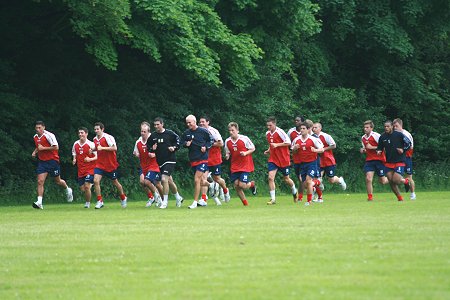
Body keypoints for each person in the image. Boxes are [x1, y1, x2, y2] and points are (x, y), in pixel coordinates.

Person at [32, 121, 73, 209]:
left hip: (53, 161)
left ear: (43, 127)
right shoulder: (35, 137)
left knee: (58, 181)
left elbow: (56, 147)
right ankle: (39, 202)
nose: (38, 130)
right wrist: (35, 152)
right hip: (42, 162)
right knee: (40, 181)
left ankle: (67, 189)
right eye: (36, 128)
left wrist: (43, 148)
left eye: (39, 128)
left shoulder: (49, 135)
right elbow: (39, 146)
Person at [148, 117, 184, 208]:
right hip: (160, 161)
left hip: (170, 160)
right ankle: (178, 197)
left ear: (162, 124)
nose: (156, 126)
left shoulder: (169, 133)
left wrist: (174, 147)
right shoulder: (153, 136)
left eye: (158, 124)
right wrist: (152, 149)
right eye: (155, 125)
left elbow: (178, 140)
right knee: (169, 181)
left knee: (163, 179)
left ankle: (165, 202)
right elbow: (148, 147)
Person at [181, 115, 214, 209]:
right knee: (201, 181)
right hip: (193, 159)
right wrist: (186, 144)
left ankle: (195, 202)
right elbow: (181, 142)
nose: (188, 124)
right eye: (187, 123)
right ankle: (212, 185)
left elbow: (211, 140)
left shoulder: (203, 131)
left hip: (203, 158)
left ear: (194, 122)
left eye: (189, 122)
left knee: (196, 180)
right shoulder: (186, 133)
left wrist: (206, 147)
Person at [92, 122, 127, 209]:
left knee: (115, 182)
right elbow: (97, 148)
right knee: (96, 181)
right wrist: (92, 149)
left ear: (102, 129)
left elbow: (114, 148)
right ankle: (100, 201)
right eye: (95, 129)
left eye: (98, 129)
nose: (96, 131)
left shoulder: (108, 137)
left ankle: (123, 197)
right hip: (100, 164)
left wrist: (102, 148)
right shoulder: (95, 139)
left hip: (110, 165)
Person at [264, 116, 298, 205]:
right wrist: (268, 150)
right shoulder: (267, 133)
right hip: (273, 159)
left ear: (274, 124)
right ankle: (273, 199)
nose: (268, 127)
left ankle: (294, 190)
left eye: (270, 125)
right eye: (267, 125)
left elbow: (288, 142)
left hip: (283, 159)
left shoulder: (280, 132)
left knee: (286, 179)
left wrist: (277, 145)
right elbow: (271, 144)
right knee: (270, 178)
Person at [376, 120, 411, 201]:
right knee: (391, 182)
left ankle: (406, 181)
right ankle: (400, 198)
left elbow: (408, 144)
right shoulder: (382, 137)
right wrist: (379, 151)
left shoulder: (398, 134)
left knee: (396, 180)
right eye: (385, 126)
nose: (386, 128)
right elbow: (379, 147)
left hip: (399, 161)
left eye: (388, 126)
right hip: (389, 162)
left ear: (392, 126)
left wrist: (403, 149)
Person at [199, 116, 230, 203]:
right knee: (203, 178)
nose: (201, 123)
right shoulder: (198, 131)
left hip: (215, 158)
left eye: (203, 122)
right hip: (204, 158)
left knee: (217, 179)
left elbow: (221, 143)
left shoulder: (213, 131)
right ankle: (203, 199)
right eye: (200, 122)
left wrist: (209, 144)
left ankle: (225, 190)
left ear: (208, 122)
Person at [291, 122, 324, 205]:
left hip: (312, 163)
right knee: (305, 184)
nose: (301, 130)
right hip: (302, 164)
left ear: (308, 129)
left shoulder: (313, 139)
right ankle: (317, 183)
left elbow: (322, 149)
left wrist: (315, 150)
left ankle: (308, 201)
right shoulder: (296, 140)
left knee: (309, 181)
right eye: (301, 129)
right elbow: (293, 152)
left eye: (303, 128)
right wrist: (294, 149)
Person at [224, 122, 257, 206]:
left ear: (237, 130)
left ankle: (252, 184)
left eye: (233, 130)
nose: (231, 132)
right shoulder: (227, 141)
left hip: (245, 165)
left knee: (242, 185)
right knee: (236, 185)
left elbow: (253, 148)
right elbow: (228, 152)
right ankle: (245, 204)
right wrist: (227, 155)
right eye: (229, 130)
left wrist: (246, 153)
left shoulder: (244, 139)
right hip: (235, 166)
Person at [133, 122, 163, 208]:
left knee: (149, 182)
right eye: (141, 131)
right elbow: (136, 152)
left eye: (144, 131)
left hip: (154, 164)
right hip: (144, 165)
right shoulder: (138, 142)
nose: (142, 133)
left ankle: (159, 198)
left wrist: (154, 154)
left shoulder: (153, 139)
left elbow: (161, 151)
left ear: (148, 131)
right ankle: (155, 198)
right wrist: (136, 154)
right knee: (143, 182)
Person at [312, 122, 347, 190]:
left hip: (328, 159)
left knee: (331, 180)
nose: (314, 129)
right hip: (318, 160)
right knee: (317, 178)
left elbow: (334, 145)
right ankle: (317, 195)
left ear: (320, 128)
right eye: (313, 127)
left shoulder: (325, 136)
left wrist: (323, 149)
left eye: (315, 127)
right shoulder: (312, 137)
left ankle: (340, 180)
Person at [360, 120, 388, 201]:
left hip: (379, 160)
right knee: (368, 179)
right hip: (369, 160)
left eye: (367, 127)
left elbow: (383, 146)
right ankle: (370, 197)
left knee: (382, 181)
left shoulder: (376, 136)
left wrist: (371, 147)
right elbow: (366, 148)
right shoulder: (363, 137)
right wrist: (363, 150)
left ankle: (393, 178)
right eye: (364, 127)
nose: (365, 129)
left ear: (372, 128)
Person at [72, 127, 97, 208]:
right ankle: (91, 186)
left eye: (82, 133)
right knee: (83, 189)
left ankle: (87, 203)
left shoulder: (91, 144)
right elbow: (74, 153)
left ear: (86, 134)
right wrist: (74, 159)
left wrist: (90, 159)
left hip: (90, 169)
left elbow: (98, 156)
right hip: (81, 170)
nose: (80, 134)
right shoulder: (76, 144)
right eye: (79, 133)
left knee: (86, 186)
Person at [393, 118, 416, 200]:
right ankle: (404, 182)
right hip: (398, 159)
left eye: (397, 126)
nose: (395, 128)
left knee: (409, 177)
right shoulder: (394, 135)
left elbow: (410, 147)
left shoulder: (406, 134)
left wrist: (402, 150)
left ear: (401, 126)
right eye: (394, 126)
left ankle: (413, 194)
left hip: (407, 158)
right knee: (395, 176)